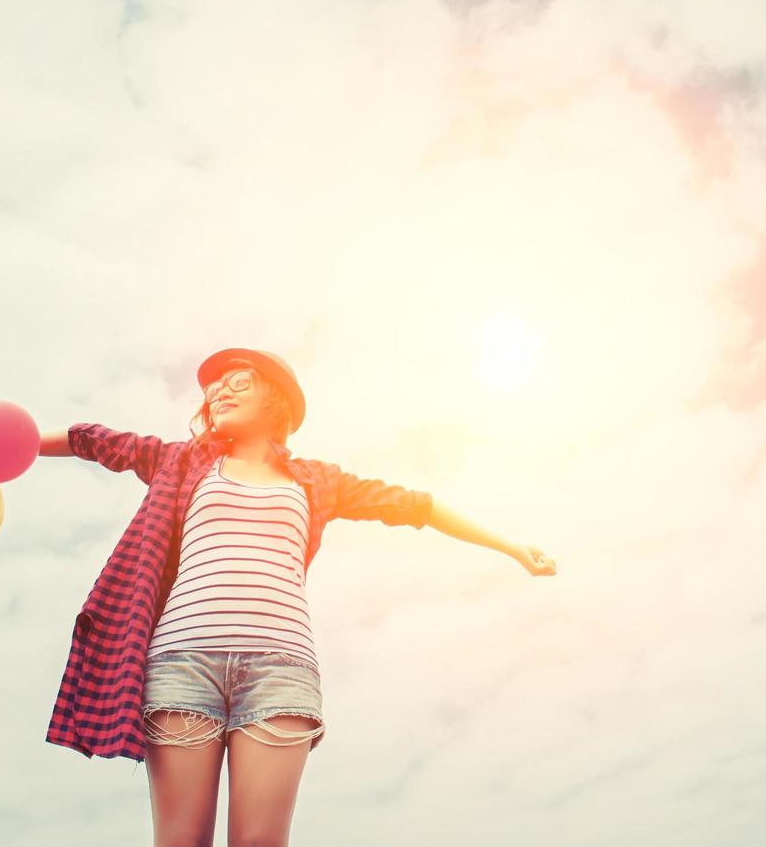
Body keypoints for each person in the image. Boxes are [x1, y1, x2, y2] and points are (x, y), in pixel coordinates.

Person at [39, 348, 556, 847]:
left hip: (279, 671)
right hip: (181, 664)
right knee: (180, 842)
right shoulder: (180, 461)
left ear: (276, 399)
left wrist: (511, 547)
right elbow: (95, 441)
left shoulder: (316, 480)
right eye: (214, 386)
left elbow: (415, 507)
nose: (220, 391)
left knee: (261, 841)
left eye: (237, 380)